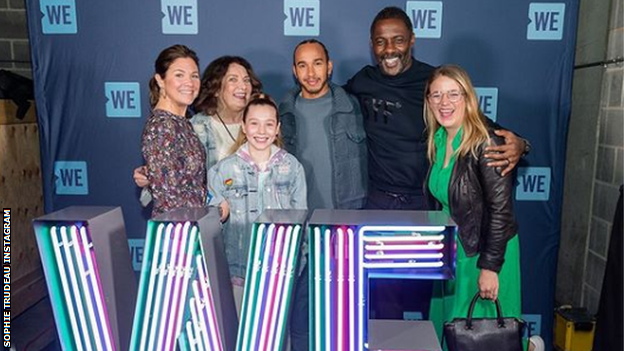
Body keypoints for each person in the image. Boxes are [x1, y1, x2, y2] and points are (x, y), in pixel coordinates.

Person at [343, 6, 529, 320]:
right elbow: (324, 97)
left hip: (425, 208)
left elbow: (485, 128)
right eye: (381, 41)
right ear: (371, 44)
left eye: (398, 40)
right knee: (390, 296)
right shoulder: (364, 80)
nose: (389, 49)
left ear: (412, 41)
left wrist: (522, 144)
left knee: (448, 303)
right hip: (382, 204)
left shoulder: (431, 82)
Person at [423, 64, 525, 349]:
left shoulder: (487, 142)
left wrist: (490, 267)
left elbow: (500, 210)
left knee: (483, 335)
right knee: (452, 332)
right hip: (452, 252)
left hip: (483, 252)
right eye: (436, 95)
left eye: (453, 94)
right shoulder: (439, 139)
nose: (445, 103)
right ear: (428, 101)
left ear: (468, 98)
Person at [279, 39, 367, 351]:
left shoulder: (353, 106)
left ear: (329, 66)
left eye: (317, 63)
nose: (311, 72)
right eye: (302, 65)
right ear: (294, 71)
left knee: (346, 317)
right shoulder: (282, 113)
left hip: (345, 226)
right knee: (299, 316)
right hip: (300, 232)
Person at [207, 94, 307, 314]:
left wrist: (296, 264)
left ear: (278, 128)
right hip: (238, 273)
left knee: (277, 338)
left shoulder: (292, 168)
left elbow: (301, 224)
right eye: (254, 123)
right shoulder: (223, 170)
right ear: (244, 126)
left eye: (269, 124)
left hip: (278, 271)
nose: (261, 131)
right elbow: (214, 222)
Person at [133, 56, 263, 203]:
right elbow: (167, 187)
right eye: (233, 79)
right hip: (211, 218)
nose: (243, 86)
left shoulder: (263, 127)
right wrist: (150, 177)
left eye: (246, 80)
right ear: (216, 89)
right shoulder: (193, 128)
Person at [141, 44, 204, 217]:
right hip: (177, 234)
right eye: (179, 75)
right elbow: (169, 198)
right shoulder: (162, 126)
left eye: (194, 76)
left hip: (192, 227)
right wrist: (214, 211)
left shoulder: (183, 123)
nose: (189, 83)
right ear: (160, 80)